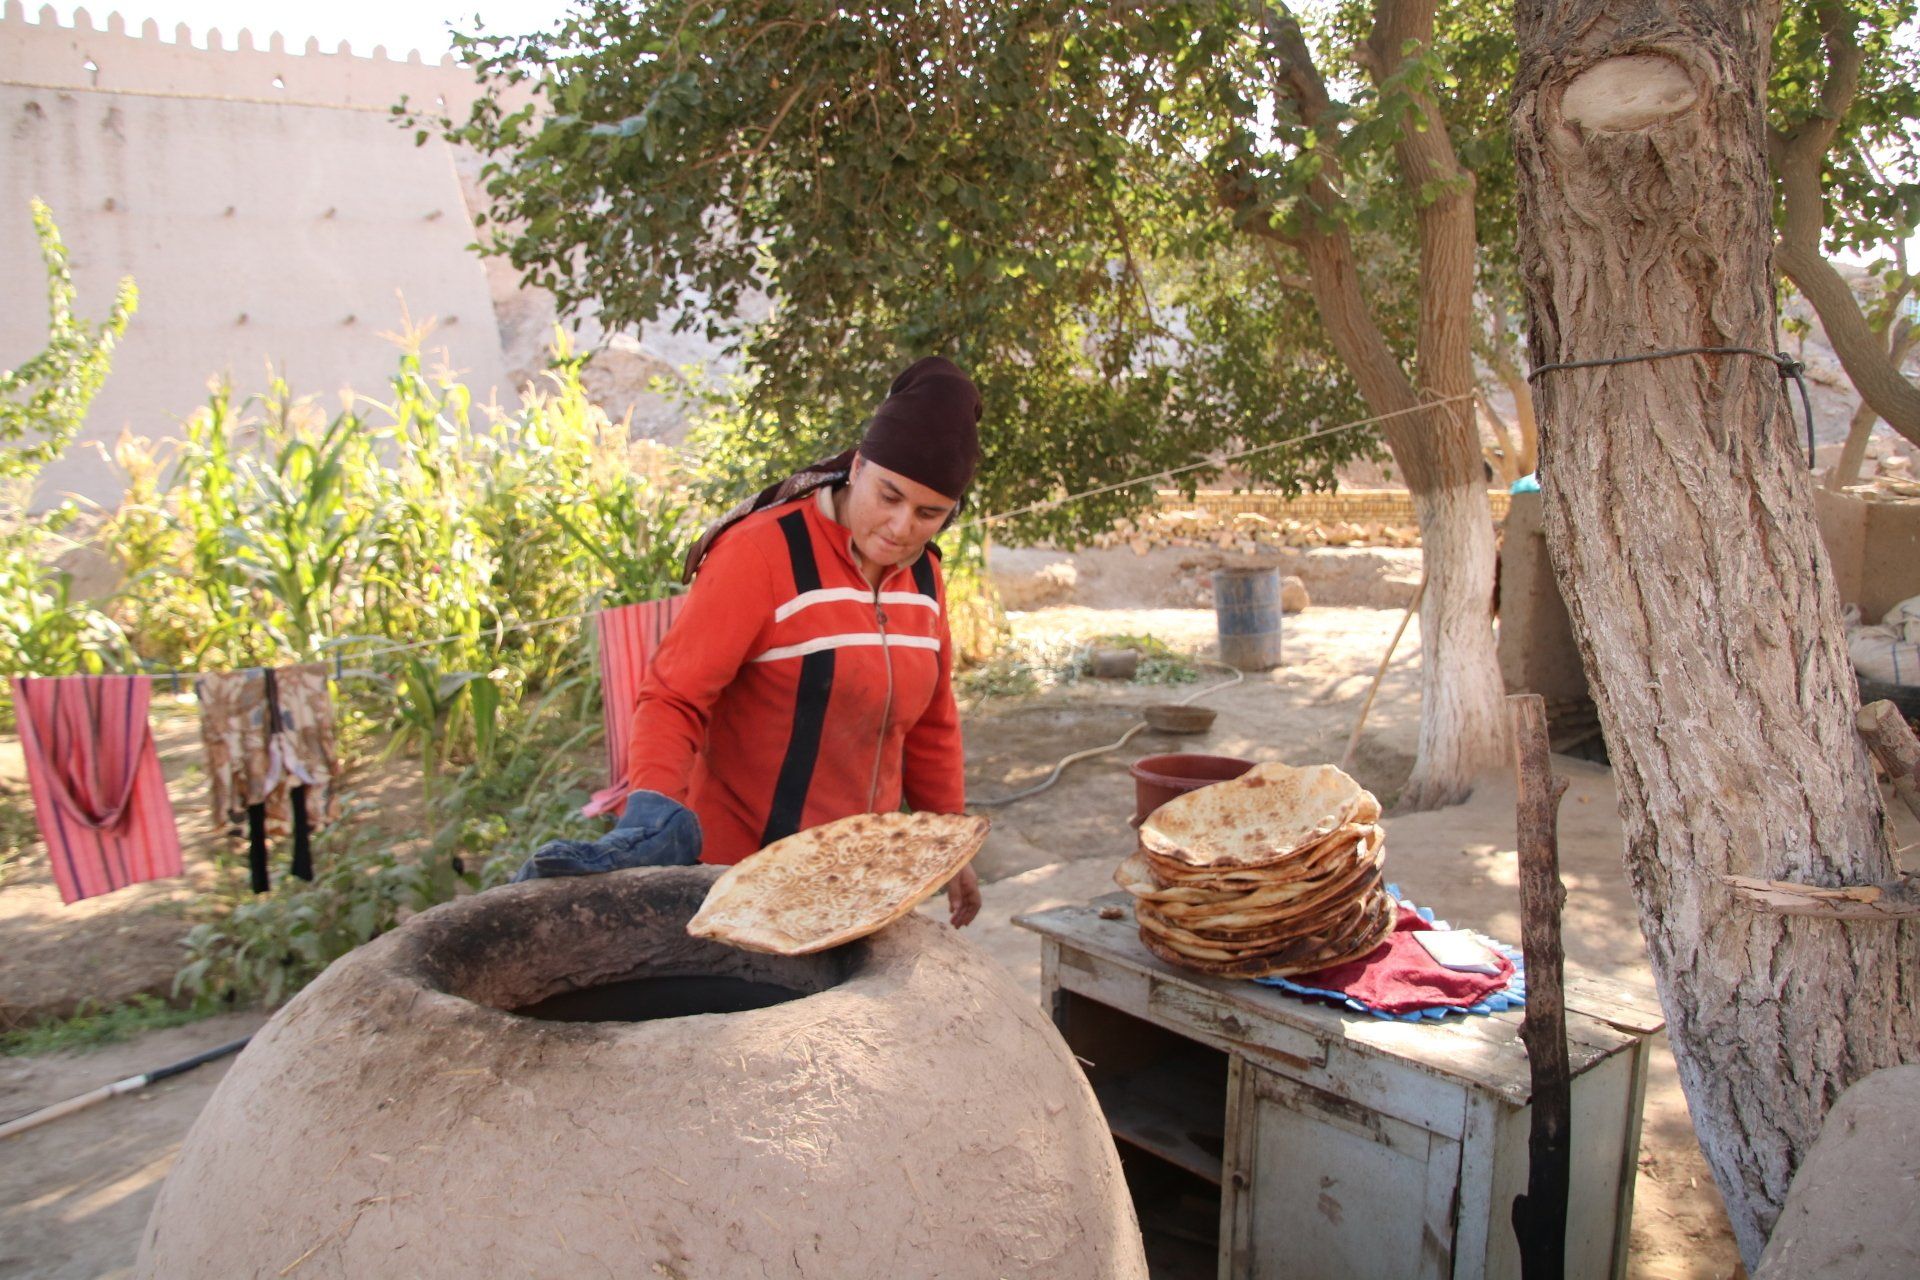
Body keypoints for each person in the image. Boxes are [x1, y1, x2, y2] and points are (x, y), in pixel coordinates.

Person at [620, 356, 984, 926]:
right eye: (888, 496)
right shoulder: (760, 554)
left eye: (928, 513)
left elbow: (932, 722)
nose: (901, 527)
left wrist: (950, 839)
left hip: (858, 883)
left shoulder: (924, 578)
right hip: (737, 879)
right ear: (859, 466)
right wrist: (651, 813)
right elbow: (674, 697)